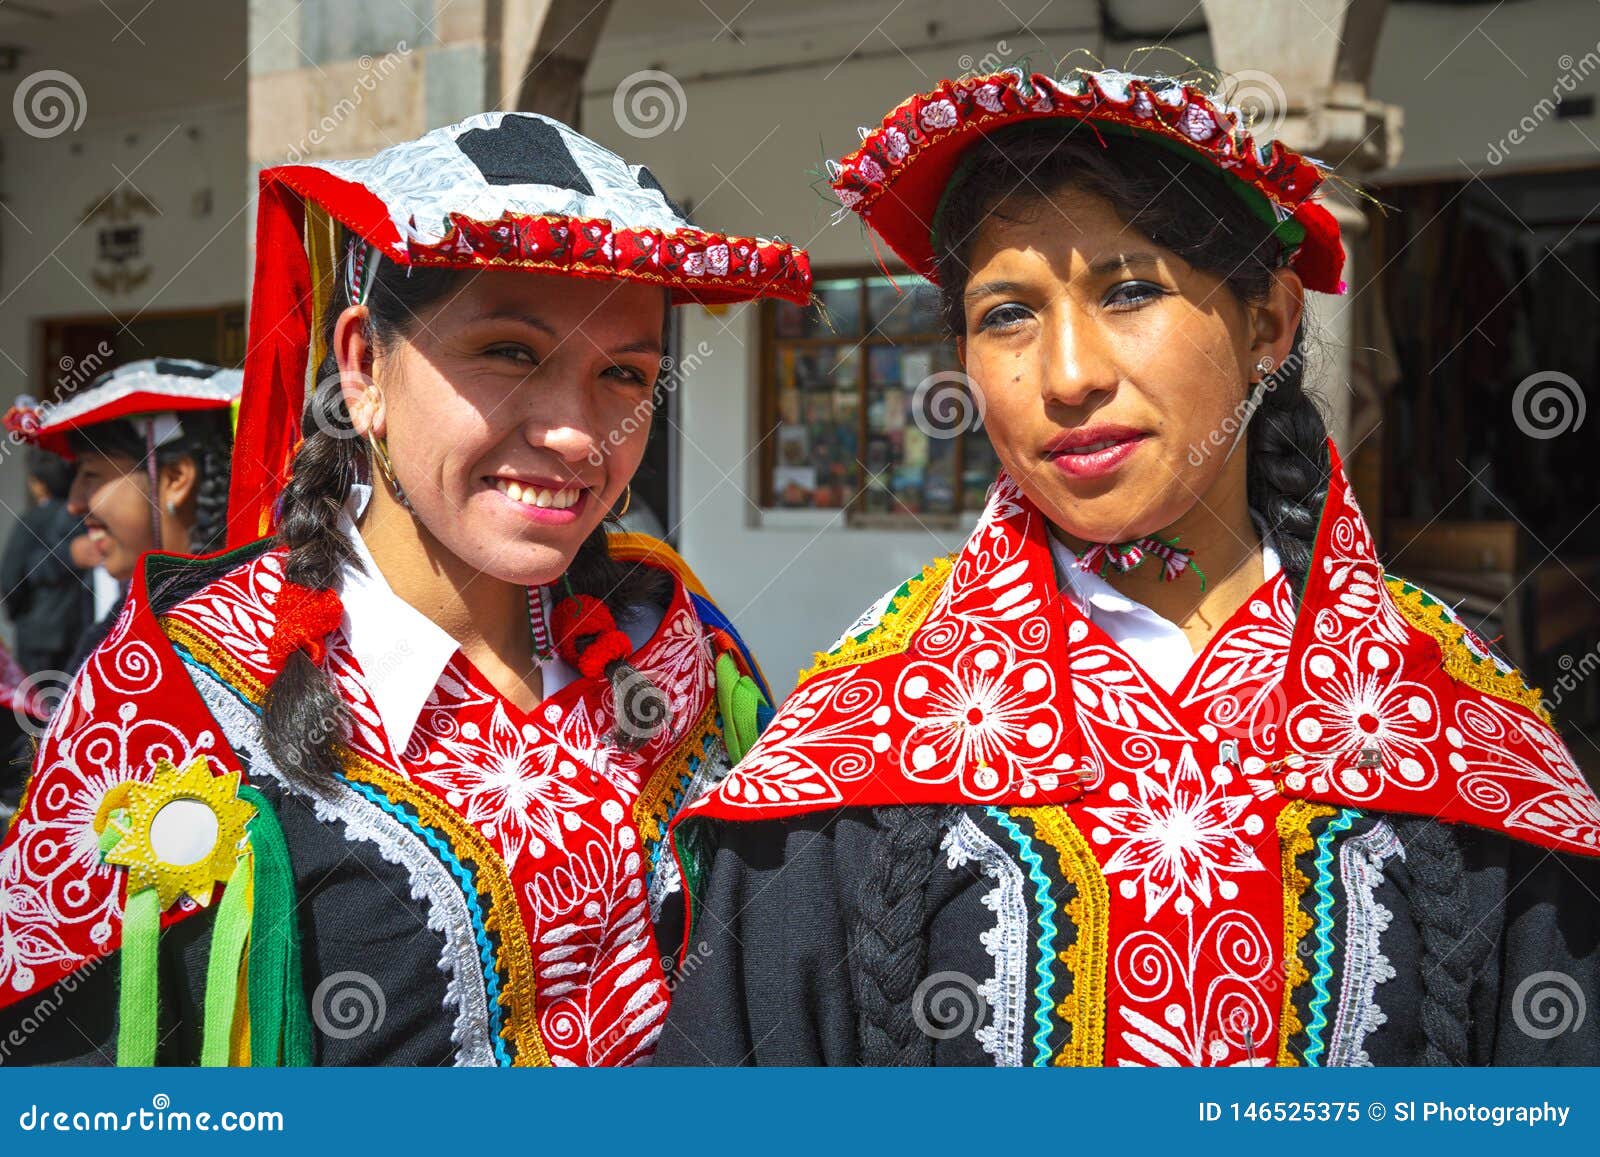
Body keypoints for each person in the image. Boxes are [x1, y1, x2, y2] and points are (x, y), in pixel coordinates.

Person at [657, 66, 1600, 1066]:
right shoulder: (864, 725)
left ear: (1267, 324)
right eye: (1006, 314)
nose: (1067, 377)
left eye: (1131, 290)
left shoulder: (1448, 709)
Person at [0, 111, 809, 1066]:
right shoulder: (171, 694)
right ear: (363, 367)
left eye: (622, 374)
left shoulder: (675, 641)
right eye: (511, 352)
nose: (577, 433)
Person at [4, 359, 240, 671]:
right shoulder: (115, 628)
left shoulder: (243, 636)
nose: (74, 503)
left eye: (90, 474)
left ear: (175, 479)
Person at [0, 447, 92, 677]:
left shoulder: (31, 520)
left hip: (37, 635)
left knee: (37, 706)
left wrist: (18, 614)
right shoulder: (83, 518)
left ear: (38, 483)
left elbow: (10, 578)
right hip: (78, 630)